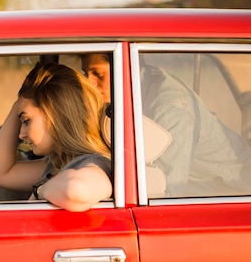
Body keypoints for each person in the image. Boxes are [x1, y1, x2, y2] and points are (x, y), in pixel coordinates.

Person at [81, 53, 251, 196]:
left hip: (230, 192)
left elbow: (165, 191)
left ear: (125, 69)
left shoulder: (170, 110)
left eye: (98, 74)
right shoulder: (141, 86)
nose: (89, 82)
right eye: (85, 74)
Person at [0, 62, 112, 212]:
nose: (21, 134)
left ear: (57, 114)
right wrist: (19, 105)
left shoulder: (97, 163)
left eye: (26, 121)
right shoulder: (58, 165)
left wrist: (39, 191)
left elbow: (76, 191)